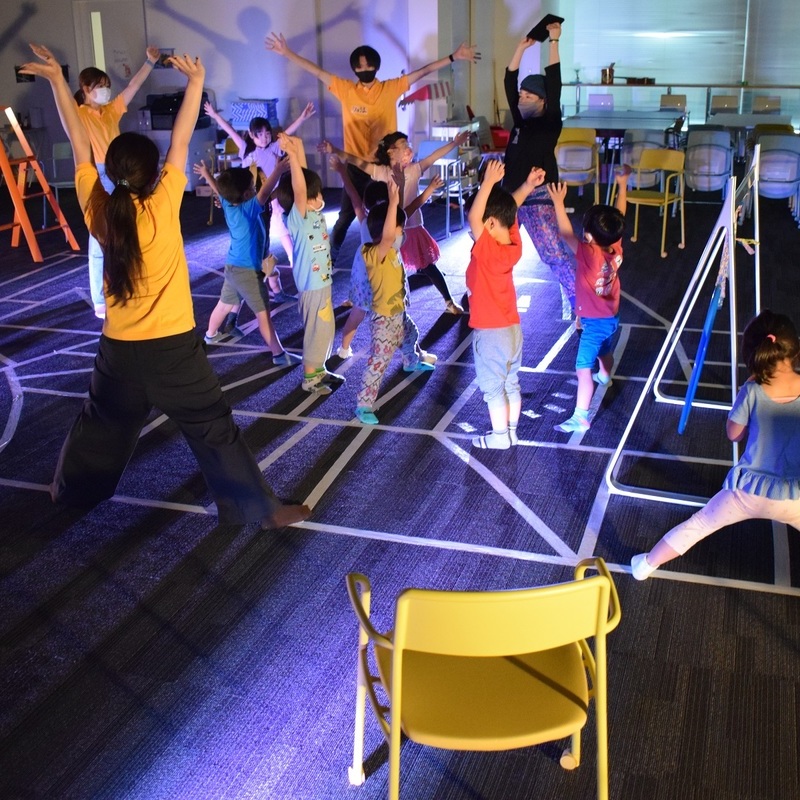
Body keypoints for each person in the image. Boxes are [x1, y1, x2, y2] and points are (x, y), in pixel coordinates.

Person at [20, 44, 309, 529]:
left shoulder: (98, 208)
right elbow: (181, 136)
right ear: (154, 174)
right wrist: (195, 82)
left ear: (110, 172)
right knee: (213, 427)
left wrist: (55, 81)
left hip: (120, 349)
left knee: (101, 424)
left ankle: (68, 491)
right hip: (174, 350)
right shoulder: (163, 201)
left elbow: (77, 139)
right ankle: (259, 510)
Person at [265, 33, 479, 260]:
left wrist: (453, 57)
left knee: (389, 212)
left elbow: (423, 71)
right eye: (359, 66)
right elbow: (318, 72)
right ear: (354, 68)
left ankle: (392, 256)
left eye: (368, 66)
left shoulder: (389, 88)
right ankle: (331, 257)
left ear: (376, 66)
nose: (364, 70)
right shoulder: (346, 89)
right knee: (346, 215)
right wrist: (286, 52)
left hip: (382, 167)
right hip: (356, 165)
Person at [632, 310, 800, 580]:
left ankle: (645, 565)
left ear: (756, 354)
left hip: (747, 492)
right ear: (795, 350)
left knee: (699, 524)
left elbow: (734, 434)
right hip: (795, 495)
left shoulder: (752, 391)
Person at [320, 131, 468, 314]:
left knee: (428, 266)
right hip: (387, 229)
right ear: (390, 151)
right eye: (403, 144)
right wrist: (334, 150)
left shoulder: (414, 169)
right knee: (374, 266)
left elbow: (434, 156)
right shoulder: (381, 172)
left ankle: (448, 301)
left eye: (408, 144)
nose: (408, 148)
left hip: (411, 227)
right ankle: (357, 296)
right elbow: (357, 161)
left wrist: (454, 143)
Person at [74, 45, 163, 319]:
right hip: (97, 174)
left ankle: (130, 282)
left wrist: (150, 62)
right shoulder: (79, 114)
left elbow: (132, 87)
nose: (105, 90)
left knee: (129, 226)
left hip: (118, 171)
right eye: (100, 86)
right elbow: (65, 108)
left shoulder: (111, 110)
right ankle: (100, 298)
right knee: (99, 236)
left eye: (107, 86)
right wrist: (55, 76)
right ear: (86, 89)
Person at [328, 159, 443, 361]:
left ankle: (344, 349)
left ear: (367, 204)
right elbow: (414, 205)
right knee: (400, 316)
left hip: (365, 275)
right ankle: (415, 353)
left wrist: (342, 171)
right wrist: (425, 188)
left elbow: (354, 198)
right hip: (385, 278)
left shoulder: (366, 219)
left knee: (358, 313)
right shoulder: (395, 219)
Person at [203, 101, 316, 304]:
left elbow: (287, 132)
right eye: (260, 134)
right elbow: (229, 129)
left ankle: (294, 279)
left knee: (283, 242)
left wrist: (302, 117)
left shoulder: (274, 147)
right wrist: (214, 115)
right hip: (253, 206)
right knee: (262, 247)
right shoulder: (246, 149)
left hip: (274, 203)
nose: (265, 137)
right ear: (251, 134)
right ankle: (273, 288)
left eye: (267, 133)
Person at [466, 159, 544, 449]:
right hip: (512, 330)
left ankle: (500, 437)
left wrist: (488, 183)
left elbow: (475, 218)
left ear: (488, 224)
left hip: (491, 334)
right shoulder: (512, 244)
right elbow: (510, 210)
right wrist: (527, 186)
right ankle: (511, 431)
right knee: (511, 383)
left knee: (493, 387)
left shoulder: (488, 250)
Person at [192, 159, 301, 367]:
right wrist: (278, 170)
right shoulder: (248, 210)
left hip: (232, 267)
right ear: (246, 195)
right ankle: (279, 354)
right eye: (252, 187)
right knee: (263, 315)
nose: (255, 188)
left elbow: (219, 190)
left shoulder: (228, 205)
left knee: (224, 304)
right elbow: (265, 192)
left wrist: (207, 175)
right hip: (248, 272)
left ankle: (210, 335)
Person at [547, 166, 630, 433]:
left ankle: (581, 417)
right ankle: (605, 375)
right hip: (610, 317)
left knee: (583, 367)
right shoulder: (614, 246)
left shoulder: (589, 253)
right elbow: (619, 216)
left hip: (594, 322)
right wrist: (622, 185)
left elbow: (565, 234)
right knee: (604, 350)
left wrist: (558, 202)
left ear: (590, 237)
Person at [502, 20, 576, 321]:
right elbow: (509, 81)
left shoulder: (549, 123)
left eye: (528, 97)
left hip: (538, 196)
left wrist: (554, 41)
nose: (521, 100)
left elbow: (555, 83)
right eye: (521, 96)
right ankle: (480, 295)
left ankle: (580, 304)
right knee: (493, 249)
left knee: (554, 254)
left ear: (543, 101)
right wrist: (520, 49)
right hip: (509, 195)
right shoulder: (520, 120)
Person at [354, 180, 436, 425]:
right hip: (384, 321)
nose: (403, 233)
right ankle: (363, 405)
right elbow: (389, 234)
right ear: (386, 232)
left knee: (412, 334)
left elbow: (396, 225)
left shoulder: (391, 251)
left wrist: (395, 203)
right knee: (379, 361)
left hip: (398, 314)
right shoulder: (374, 254)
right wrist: (392, 202)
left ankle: (411, 362)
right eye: (400, 229)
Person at [275, 133, 342, 395]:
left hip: (320, 283)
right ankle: (310, 378)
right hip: (312, 287)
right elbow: (300, 189)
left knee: (324, 329)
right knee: (317, 331)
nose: (320, 196)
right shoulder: (299, 217)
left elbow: (302, 180)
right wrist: (291, 155)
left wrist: (297, 145)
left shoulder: (311, 212)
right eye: (316, 194)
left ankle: (319, 369)